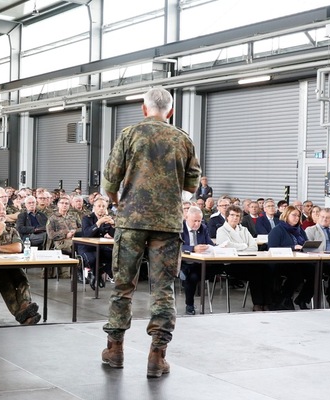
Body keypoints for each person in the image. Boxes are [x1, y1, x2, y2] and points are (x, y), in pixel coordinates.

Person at [101, 87, 201, 378]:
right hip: (167, 224)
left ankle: (115, 349)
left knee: (123, 286)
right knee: (163, 290)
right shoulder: (182, 139)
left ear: (144, 109)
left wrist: (121, 202)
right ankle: (157, 357)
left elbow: (110, 181)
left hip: (131, 221)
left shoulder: (129, 134)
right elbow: (192, 186)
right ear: (169, 112)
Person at [0, 201, 41, 325]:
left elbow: (18, 248)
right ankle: (22, 314)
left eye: (4, 209)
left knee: (22, 278)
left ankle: (25, 306)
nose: (3, 211)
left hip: (10, 266)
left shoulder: (11, 229)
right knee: (6, 283)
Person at [215, 205, 274, 311]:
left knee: (266, 268)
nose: (235, 218)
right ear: (227, 216)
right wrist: (244, 246)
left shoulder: (244, 229)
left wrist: (240, 247)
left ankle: (267, 302)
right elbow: (227, 246)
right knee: (256, 271)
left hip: (248, 260)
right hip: (231, 264)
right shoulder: (221, 230)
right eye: (232, 215)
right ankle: (257, 303)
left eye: (237, 215)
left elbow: (254, 246)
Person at [268, 206, 315, 310]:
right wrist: (293, 247)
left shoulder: (300, 230)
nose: (297, 218)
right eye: (294, 215)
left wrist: (308, 247)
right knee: (296, 274)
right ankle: (285, 298)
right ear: (286, 216)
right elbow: (272, 249)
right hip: (281, 262)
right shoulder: (277, 230)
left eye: (298, 215)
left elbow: (305, 243)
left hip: (299, 261)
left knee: (316, 271)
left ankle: (302, 299)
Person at [80, 197, 115, 290]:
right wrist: (98, 223)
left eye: (104, 206)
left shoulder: (107, 219)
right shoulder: (87, 218)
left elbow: (113, 235)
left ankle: (97, 273)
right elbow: (87, 234)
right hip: (87, 246)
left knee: (115, 256)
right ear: (94, 207)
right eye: (99, 206)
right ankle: (96, 274)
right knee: (93, 259)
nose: (101, 208)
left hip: (101, 247)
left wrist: (113, 225)